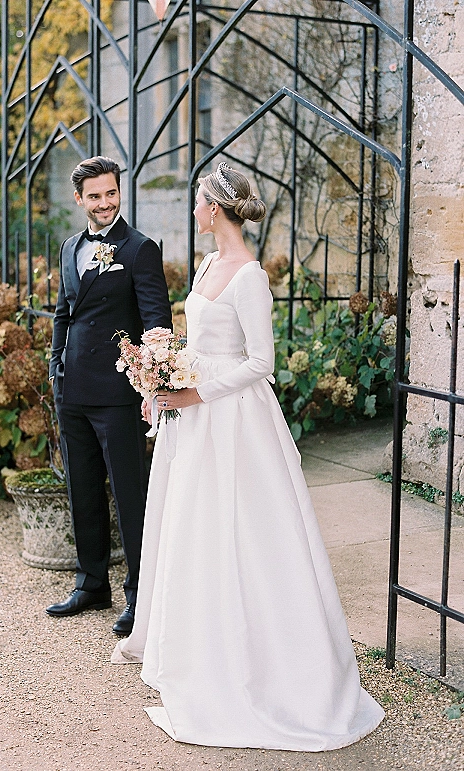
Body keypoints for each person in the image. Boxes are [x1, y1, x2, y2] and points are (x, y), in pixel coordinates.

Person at [111, 162, 384, 749]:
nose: (192, 211)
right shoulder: (209, 264)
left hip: (233, 421)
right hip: (191, 417)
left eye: (198, 201)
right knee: (193, 533)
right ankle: (194, 650)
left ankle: (265, 671)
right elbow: (204, 343)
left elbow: (260, 363)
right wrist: (158, 377)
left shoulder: (250, 275)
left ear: (216, 207)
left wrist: (187, 391)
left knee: (243, 537)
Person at [46, 156, 172, 636]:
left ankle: (139, 594)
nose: (104, 203)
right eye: (94, 196)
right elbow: (64, 311)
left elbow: (157, 321)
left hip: (120, 395)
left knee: (129, 494)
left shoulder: (140, 250)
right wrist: (56, 363)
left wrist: (152, 382)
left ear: (120, 193)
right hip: (72, 389)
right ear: (80, 199)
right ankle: (91, 581)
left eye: (111, 193)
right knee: (82, 488)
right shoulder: (69, 247)